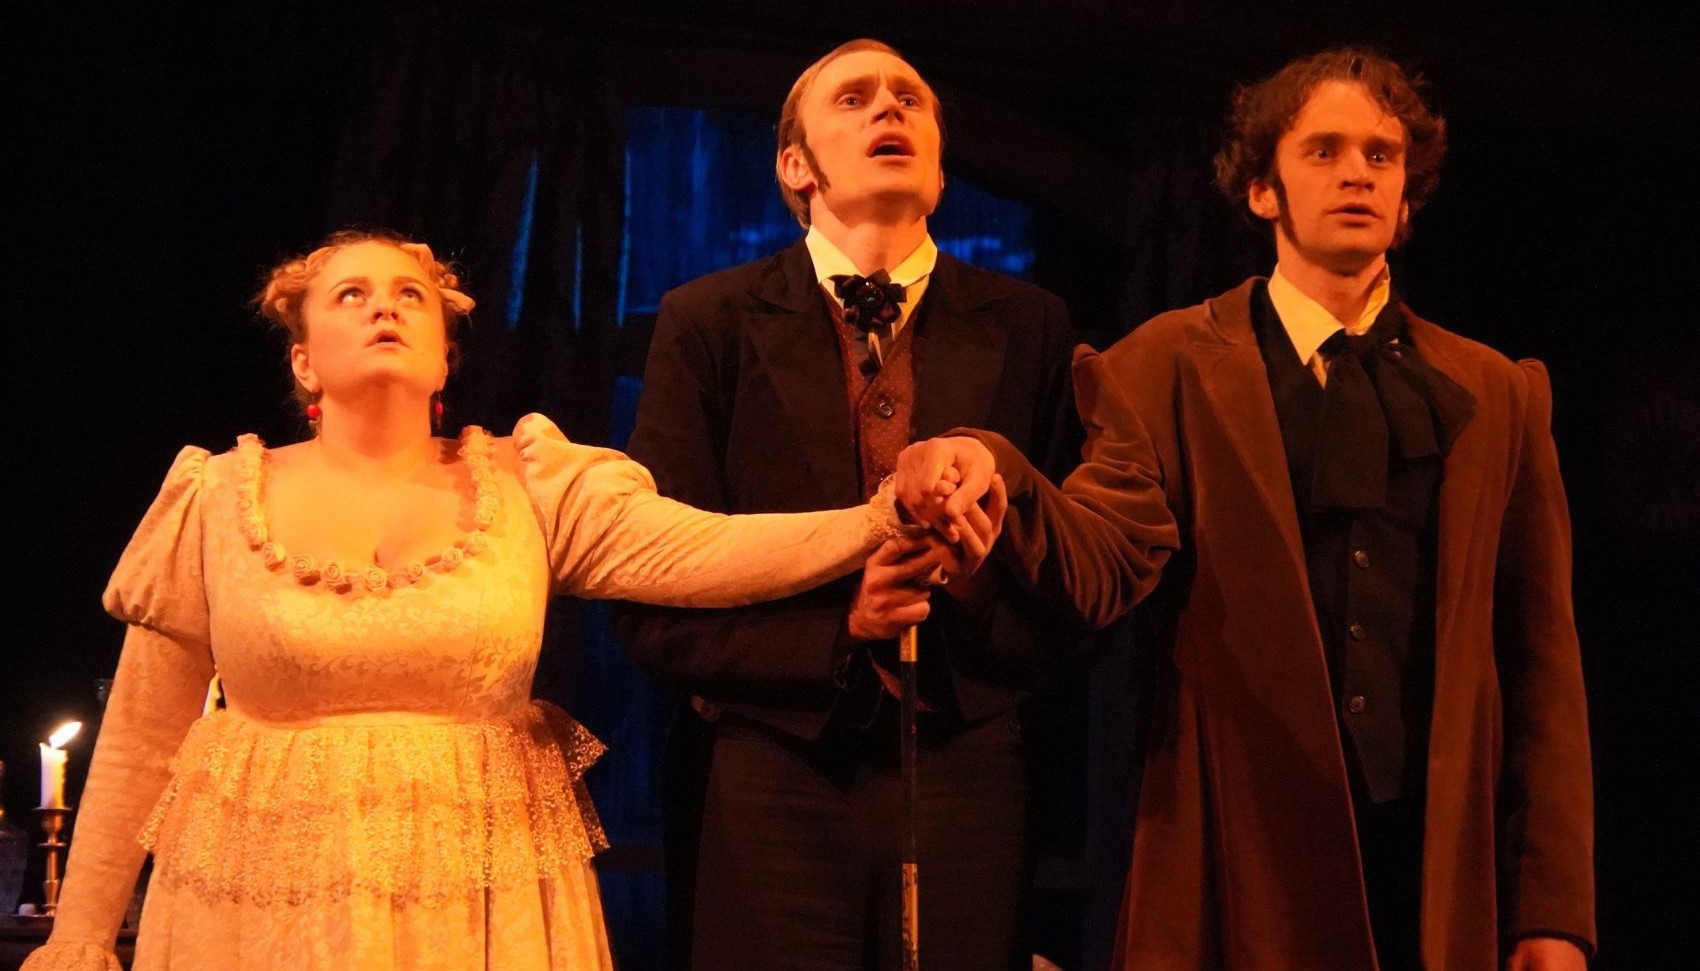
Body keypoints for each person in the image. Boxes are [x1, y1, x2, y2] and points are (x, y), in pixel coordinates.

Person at [23, 230, 928, 971]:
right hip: (260, 913)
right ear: (303, 361)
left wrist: (874, 519)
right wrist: (82, 936)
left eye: (409, 295)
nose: (384, 306)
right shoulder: (219, 495)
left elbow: (696, 550)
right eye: (351, 294)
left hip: (478, 906)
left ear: (445, 358)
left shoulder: (527, 481)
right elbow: (144, 729)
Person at [897, 48, 1593, 970]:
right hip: (1238, 856)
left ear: (1407, 198)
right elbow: (1103, 554)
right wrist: (996, 467)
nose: (1356, 173)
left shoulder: (1495, 392)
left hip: (1429, 867)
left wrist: (1552, 912)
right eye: (1323, 151)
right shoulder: (1169, 364)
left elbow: (1542, 670)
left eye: (1381, 155)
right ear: (1264, 189)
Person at [619, 38, 1094, 970]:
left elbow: (1077, 575)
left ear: (941, 172)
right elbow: (651, 592)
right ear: (797, 167)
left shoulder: (1029, 324)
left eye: (910, 98)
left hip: (968, 762)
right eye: (854, 98)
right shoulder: (708, 321)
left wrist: (974, 583)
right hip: (774, 762)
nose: (889, 108)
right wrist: (842, 628)